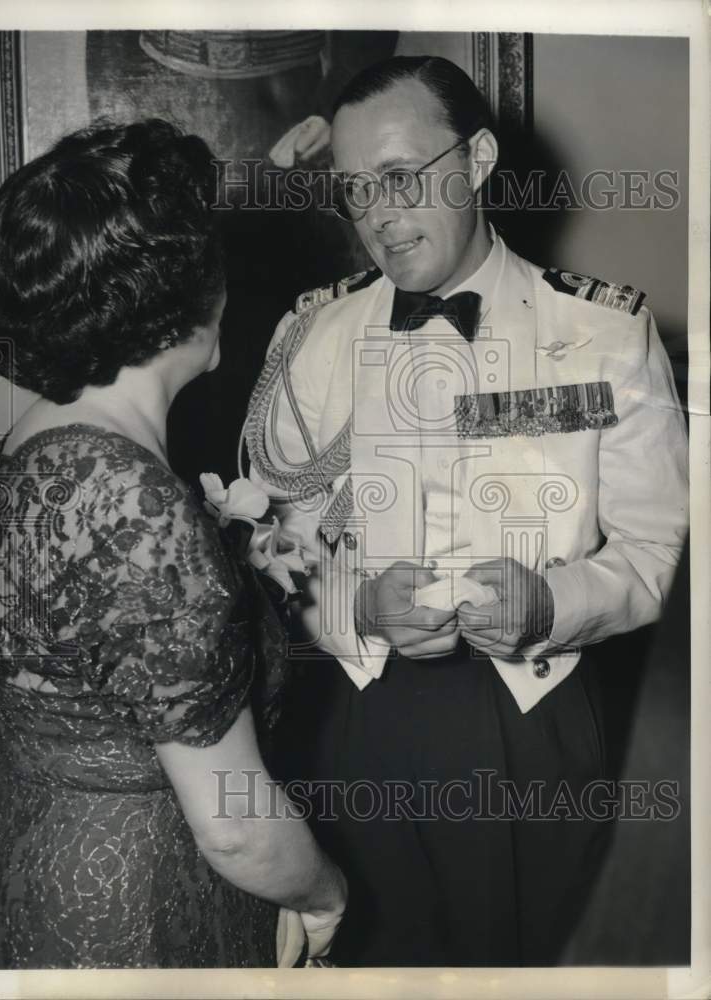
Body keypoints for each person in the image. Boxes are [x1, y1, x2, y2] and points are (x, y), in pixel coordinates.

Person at [244, 56, 689, 966]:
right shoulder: (312, 337)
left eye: (401, 178)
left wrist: (555, 604)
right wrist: (357, 606)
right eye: (355, 190)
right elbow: (269, 539)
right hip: (359, 721)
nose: (377, 213)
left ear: (479, 157)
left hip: (538, 719)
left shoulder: (603, 334)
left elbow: (661, 549)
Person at [0, 120, 346, 969]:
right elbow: (238, 828)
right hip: (132, 904)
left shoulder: (30, 443)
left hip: (17, 859)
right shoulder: (142, 507)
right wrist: (327, 895)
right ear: (187, 294)